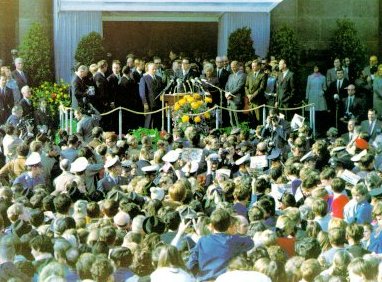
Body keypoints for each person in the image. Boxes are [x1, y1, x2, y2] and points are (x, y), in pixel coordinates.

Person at [187, 208, 254, 281]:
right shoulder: (233, 240)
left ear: (211, 225)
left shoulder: (202, 240)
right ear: (229, 225)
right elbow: (250, 242)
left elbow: (192, 263)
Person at [139, 62, 164, 129]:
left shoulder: (159, 78)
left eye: (155, 69)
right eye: (153, 69)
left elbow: (162, 90)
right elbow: (142, 93)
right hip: (149, 104)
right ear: (148, 70)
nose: (155, 70)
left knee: (157, 122)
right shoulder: (144, 79)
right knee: (148, 122)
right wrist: (145, 103)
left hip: (158, 104)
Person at [305, 65, 327, 135]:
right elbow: (307, 87)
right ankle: (313, 131)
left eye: (317, 68)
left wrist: (323, 92)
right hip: (312, 97)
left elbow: (325, 87)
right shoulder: (310, 77)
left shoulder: (323, 77)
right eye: (315, 68)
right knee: (312, 114)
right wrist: (307, 97)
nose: (316, 69)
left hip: (320, 98)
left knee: (320, 114)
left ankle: (320, 131)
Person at [245, 60, 267, 126]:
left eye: (254, 66)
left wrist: (252, 96)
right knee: (251, 118)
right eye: (252, 66)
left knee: (259, 118)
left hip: (258, 100)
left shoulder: (263, 75)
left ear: (259, 66)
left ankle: (260, 133)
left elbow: (261, 88)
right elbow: (246, 86)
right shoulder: (249, 74)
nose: (253, 67)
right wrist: (248, 94)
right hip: (250, 100)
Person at [225, 61, 246, 128]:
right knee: (231, 118)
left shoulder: (243, 75)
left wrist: (230, 93)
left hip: (237, 100)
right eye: (231, 67)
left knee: (238, 119)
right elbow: (227, 85)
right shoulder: (230, 76)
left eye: (234, 67)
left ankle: (240, 132)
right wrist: (226, 93)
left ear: (237, 66)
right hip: (229, 100)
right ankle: (233, 130)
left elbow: (240, 87)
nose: (232, 68)